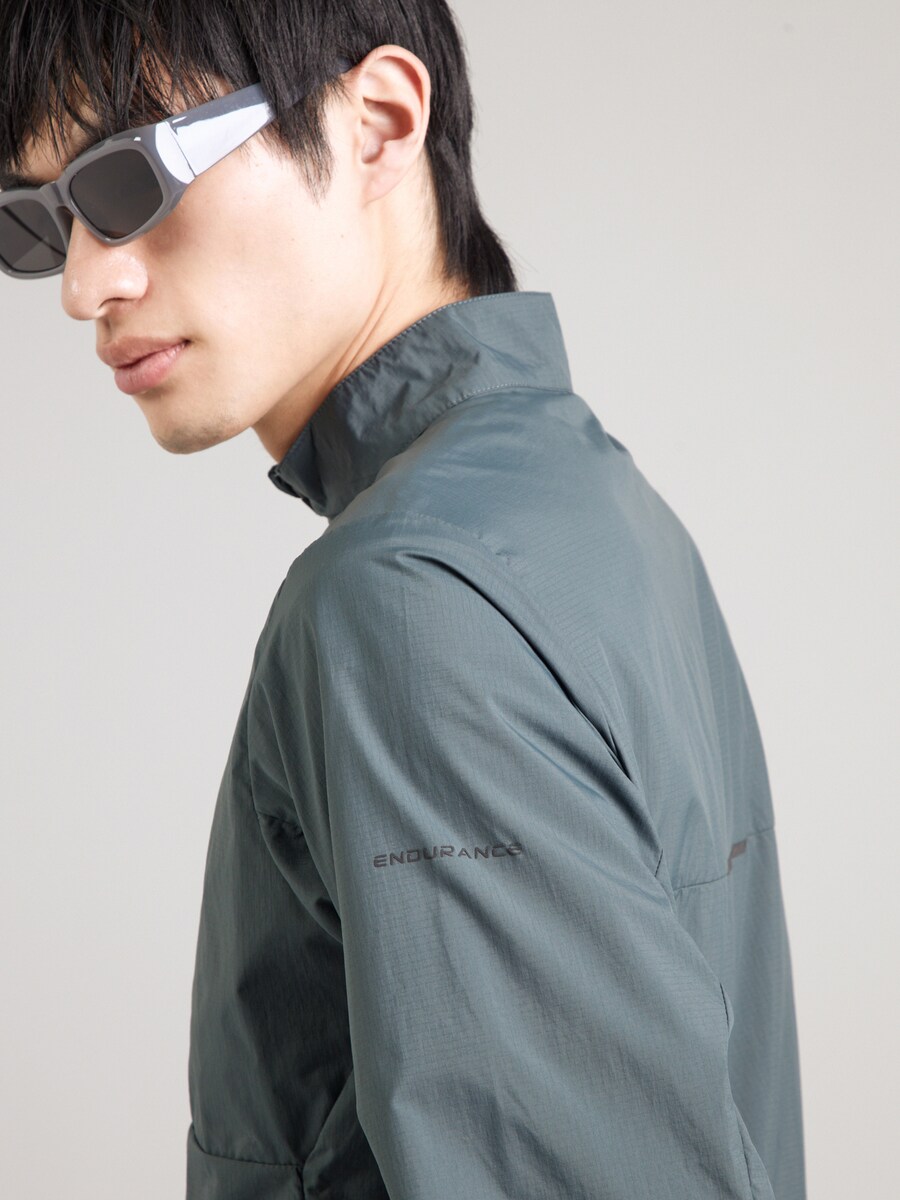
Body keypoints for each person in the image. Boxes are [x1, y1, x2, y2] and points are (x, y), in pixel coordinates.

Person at [0, 3, 806, 1198]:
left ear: (377, 122)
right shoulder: (591, 506)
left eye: (129, 181)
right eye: (40, 221)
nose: (82, 285)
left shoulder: (407, 598)